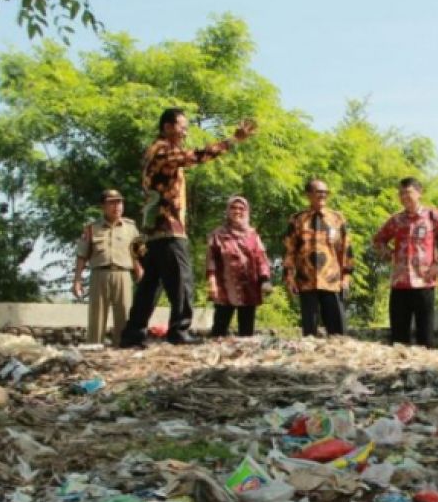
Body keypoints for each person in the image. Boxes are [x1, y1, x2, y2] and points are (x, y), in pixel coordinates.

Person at [119, 108, 256, 347]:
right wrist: (232, 140)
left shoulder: (154, 150)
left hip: (153, 231)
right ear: (168, 127)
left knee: (150, 284)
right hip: (168, 227)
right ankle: (179, 330)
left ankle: (133, 333)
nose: (185, 131)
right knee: (182, 279)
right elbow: (196, 156)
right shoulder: (163, 150)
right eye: (182, 126)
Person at [372, 177, 438, 348]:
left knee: (425, 337)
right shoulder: (395, 220)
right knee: (398, 338)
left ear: (419, 193)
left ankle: (424, 371)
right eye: (401, 193)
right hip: (400, 284)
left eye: (408, 192)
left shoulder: (433, 216)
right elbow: (378, 240)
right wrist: (389, 255)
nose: (404, 196)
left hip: (424, 282)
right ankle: (399, 372)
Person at [282, 178, 354, 336]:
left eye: (325, 192)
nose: (323, 195)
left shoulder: (337, 219)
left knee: (338, 331)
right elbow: (289, 250)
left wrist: (346, 277)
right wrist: (289, 278)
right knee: (310, 332)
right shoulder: (297, 219)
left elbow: (346, 249)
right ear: (308, 194)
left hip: (332, 281)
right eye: (319, 191)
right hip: (306, 280)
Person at [72, 189, 143, 346]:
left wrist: (140, 273)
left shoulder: (131, 227)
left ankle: (122, 350)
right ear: (102, 206)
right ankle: (94, 349)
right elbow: (82, 255)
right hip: (99, 274)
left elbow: (137, 254)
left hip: (123, 274)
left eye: (119, 202)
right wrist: (77, 280)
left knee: (124, 315)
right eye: (112, 203)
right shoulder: (91, 228)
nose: (117, 206)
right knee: (96, 316)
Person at [206, 196, 272, 337]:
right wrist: (212, 283)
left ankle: (246, 358)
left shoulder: (252, 235)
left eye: (241, 209)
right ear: (228, 211)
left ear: (246, 211)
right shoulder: (218, 234)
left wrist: (265, 279)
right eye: (233, 208)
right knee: (219, 328)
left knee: (246, 332)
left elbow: (261, 258)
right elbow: (211, 260)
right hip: (225, 287)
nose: (237, 211)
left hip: (249, 286)